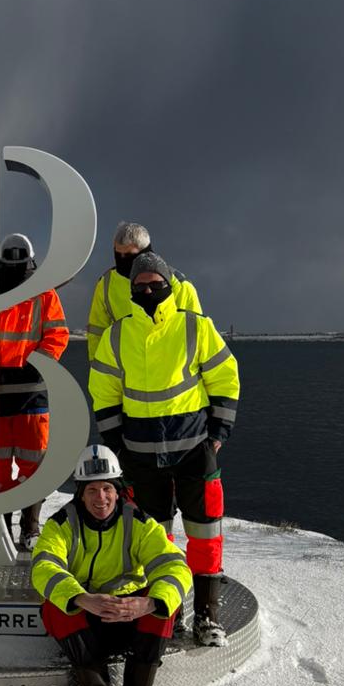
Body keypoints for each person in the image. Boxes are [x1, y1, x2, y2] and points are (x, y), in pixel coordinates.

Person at [88, 250, 239, 646]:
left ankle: (207, 615)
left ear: (169, 285)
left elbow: (225, 377)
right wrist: (115, 444)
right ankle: (165, 613)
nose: (148, 290)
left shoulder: (195, 327)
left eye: (155, 284)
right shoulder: (117, 335)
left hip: (195, 451)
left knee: (205, 533)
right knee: (154, 539)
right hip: (140, 455)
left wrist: (218, 431)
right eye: (140, 285)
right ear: (131, 290)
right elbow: (104, 391)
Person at [31, 444, 191, 686]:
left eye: (107, 488)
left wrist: (146, 604)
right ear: (80, 494)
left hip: (131, 617)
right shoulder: (61, 524)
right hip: (87, 622)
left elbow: (175, 565)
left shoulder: (139, 522)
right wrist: (81, 598)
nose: (100, 498)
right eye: (91, 490)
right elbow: (43, 567)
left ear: (118, 491)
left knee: (163, 602)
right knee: (56, 605)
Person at [0, 233, 70, 551]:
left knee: (33, 464)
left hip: (31, 393)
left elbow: (57, 334)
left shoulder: (44, 294)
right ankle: (1, 530)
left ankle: (30, 527)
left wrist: (38, 363)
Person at [86, 220, 201, 359]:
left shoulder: (179, 285)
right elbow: (97, 331)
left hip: (169, 364)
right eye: (118, 254)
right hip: (126, 365)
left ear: (145, 252)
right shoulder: (106, 283)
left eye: (128, 256)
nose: (122, 261)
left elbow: (195, 333)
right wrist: (97, 366)